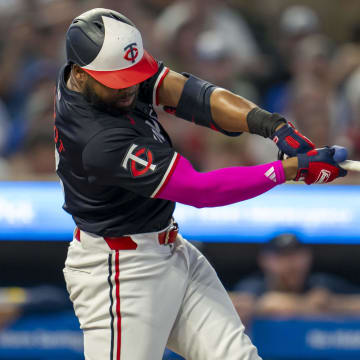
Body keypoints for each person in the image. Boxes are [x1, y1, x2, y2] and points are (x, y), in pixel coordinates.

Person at [55, 8, 348, 360]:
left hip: (170, 248)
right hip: (120, 273)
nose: (130, 87)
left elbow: (192, 95)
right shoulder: (97, 140)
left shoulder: (101, 75)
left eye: (132, 76)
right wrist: (289, 170)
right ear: (80, 73)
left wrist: (274, 126)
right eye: (118, 80)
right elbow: (199, 190)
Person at [230, 234, 360, 326]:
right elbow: (241, 302)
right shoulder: (254, 286)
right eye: (281, 257)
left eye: (296, 256)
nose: (290, 264)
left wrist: (332, 303)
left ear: (308, 257)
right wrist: (305, 304)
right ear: (264, 260)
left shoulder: (320, 283)